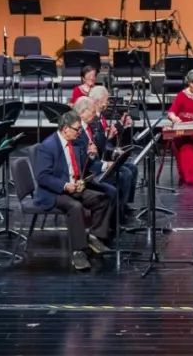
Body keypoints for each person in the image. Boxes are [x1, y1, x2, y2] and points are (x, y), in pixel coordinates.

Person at [34, 111, 114, 271]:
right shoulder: (47, 146)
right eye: (77, 129)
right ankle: (79, 252)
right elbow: (42, 177)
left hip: (75, 187)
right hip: (54, 192)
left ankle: (94, 237)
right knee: (75, 207)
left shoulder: (76, 143)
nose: (80, 132)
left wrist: (92, 157)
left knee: (103, 199)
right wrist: (64, 185)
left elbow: (86, 166)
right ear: (65, 129)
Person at [81, 88, 137, 222]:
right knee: (125, 173)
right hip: (98, 162)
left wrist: (118, 128)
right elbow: (101, 144)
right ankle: (118, 212)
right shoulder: (93, 121)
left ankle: (123, 205)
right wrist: (111, 136)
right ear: (98, 101)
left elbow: (105, 141)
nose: (108, 103)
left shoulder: (99, 118)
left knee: (131, 168)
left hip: (103, 156)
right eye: (106, 100)